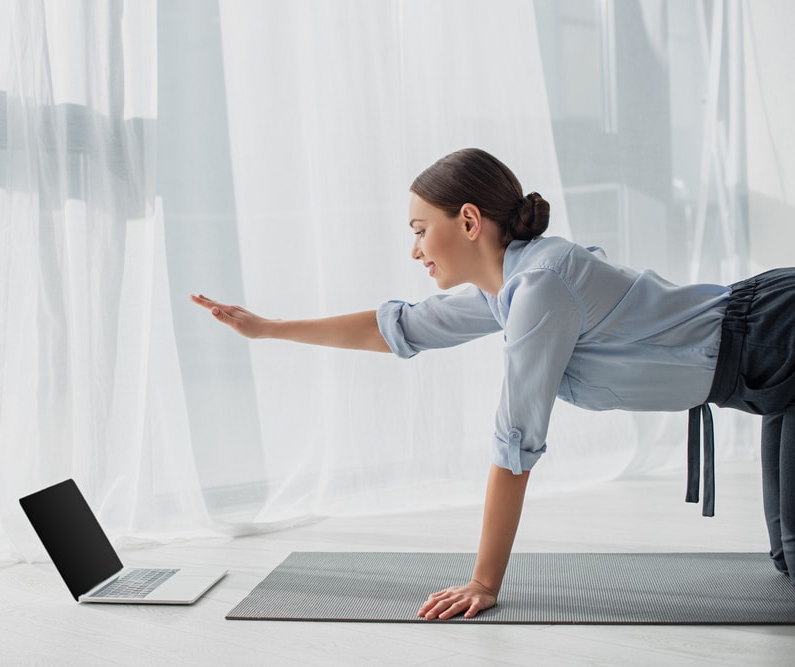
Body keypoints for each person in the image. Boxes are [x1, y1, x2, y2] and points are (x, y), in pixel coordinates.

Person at [191, 147, 795, 620]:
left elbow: (515, 446)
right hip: (763, 369)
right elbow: (402, 328)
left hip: (777, 334)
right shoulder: (510, 287)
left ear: (470, 220)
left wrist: (484, 581)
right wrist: (266, 328)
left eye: (420, 229)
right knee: (786, 564)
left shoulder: (541, 287)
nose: (415, 249)